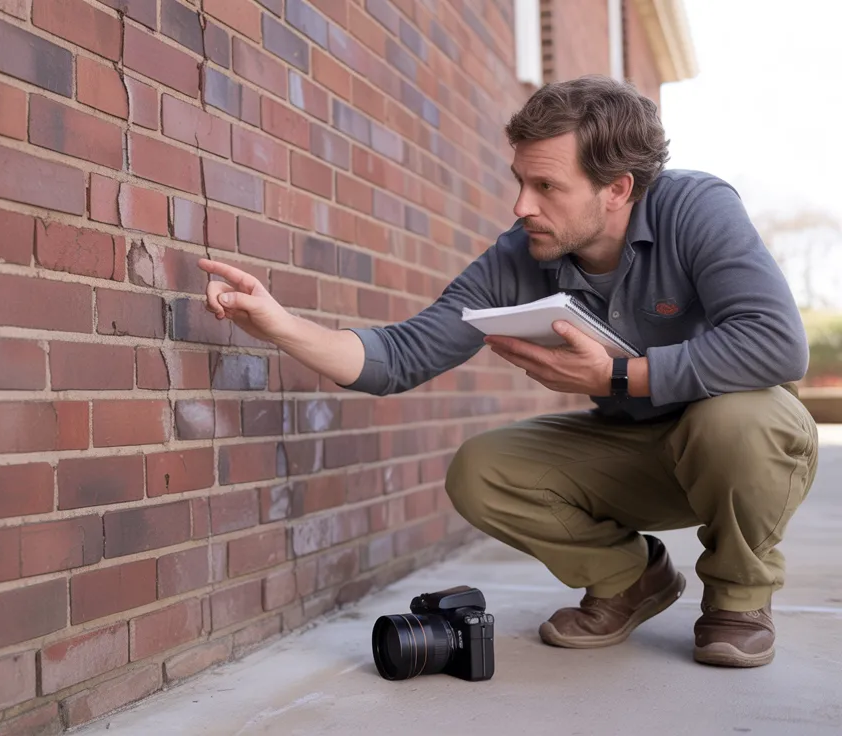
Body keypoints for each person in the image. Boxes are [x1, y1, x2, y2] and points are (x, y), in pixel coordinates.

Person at [197, 75, 819, 668]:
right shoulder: (523, 253)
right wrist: (280, 325)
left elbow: (778, 345)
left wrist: (618, 376)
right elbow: (403, 355)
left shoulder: (697, 208)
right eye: (520, 181)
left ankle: (738, 598)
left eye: (547, 186)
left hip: (738, 442)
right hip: (640, 448)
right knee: (482, 470)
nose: (522, 205)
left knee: (735, 421)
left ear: (618, 188)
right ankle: (630, 581)